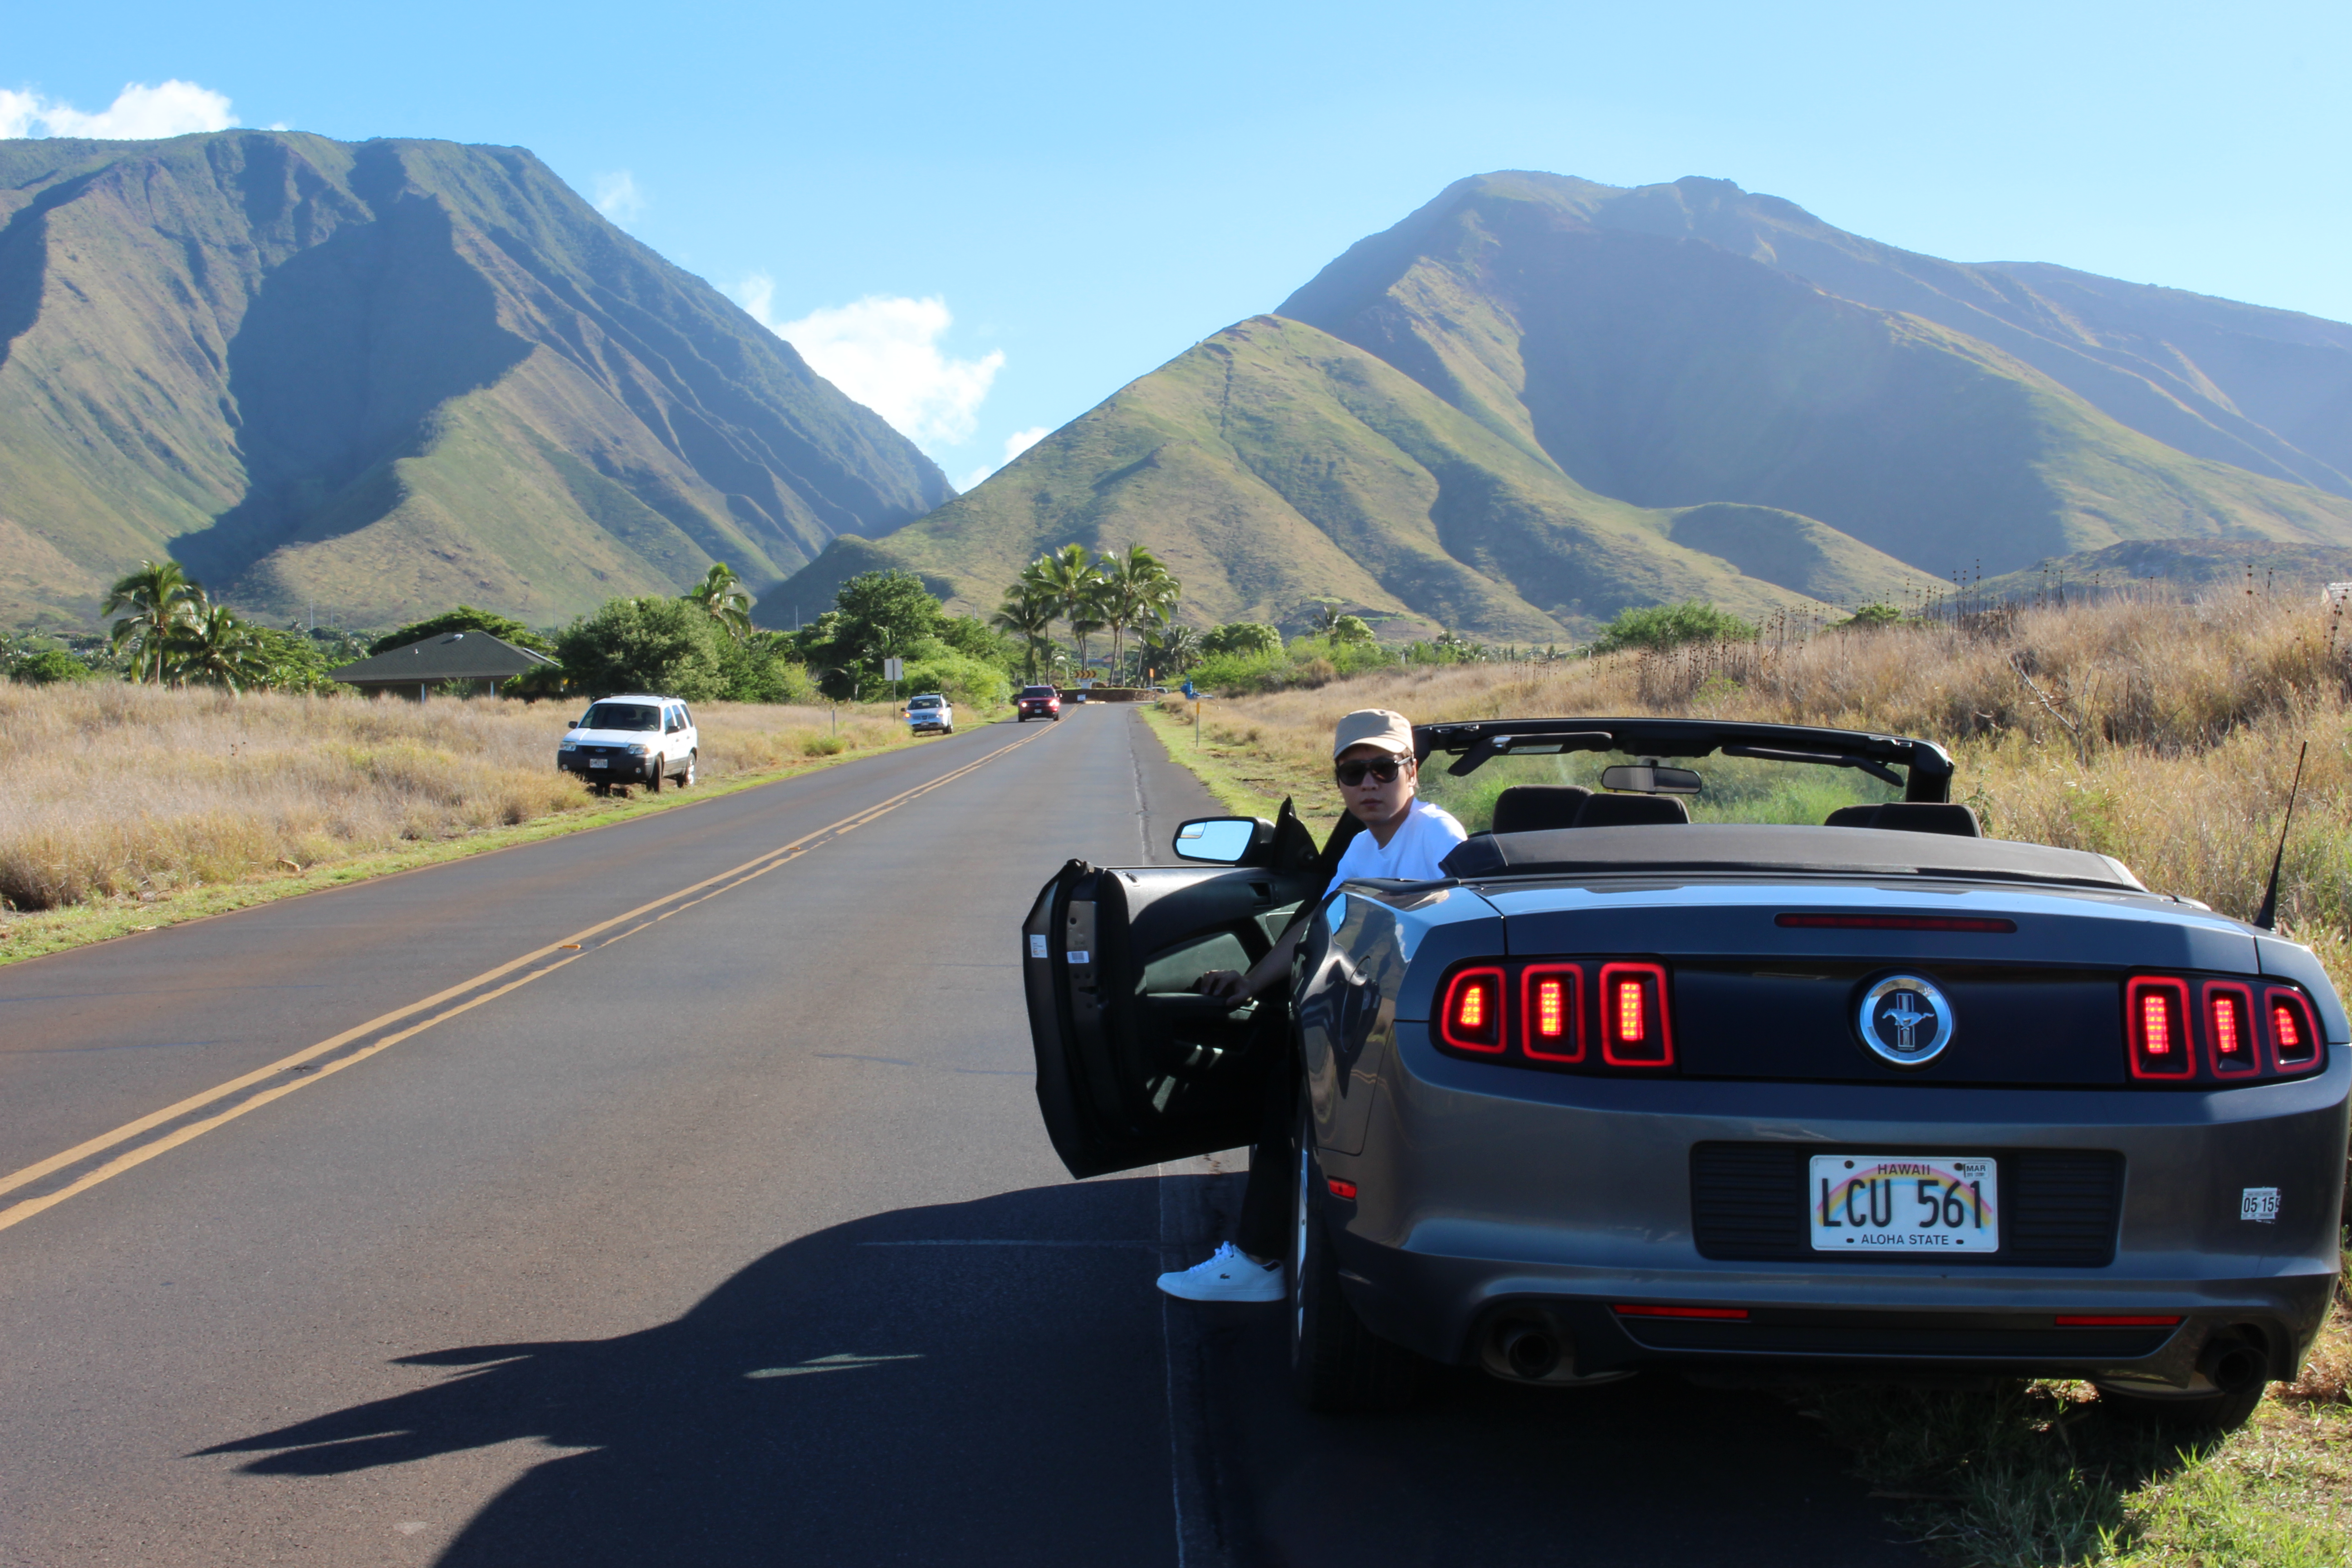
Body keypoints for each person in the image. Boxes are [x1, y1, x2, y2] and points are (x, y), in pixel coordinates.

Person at [1155, 708, 1467, 1302]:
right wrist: (1250, 984)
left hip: (1420, 1025)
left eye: (1383, 769)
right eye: (1353, 774)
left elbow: (1455, 934)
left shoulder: (1435, 836)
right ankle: (1265, 1249)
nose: (1369, 785)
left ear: (1413, 773)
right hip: (1372, 1010)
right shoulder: (1362, 848)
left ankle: (1259, 1257)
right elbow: (1315, 925)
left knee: (1293, 1083)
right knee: (1277, 1066)